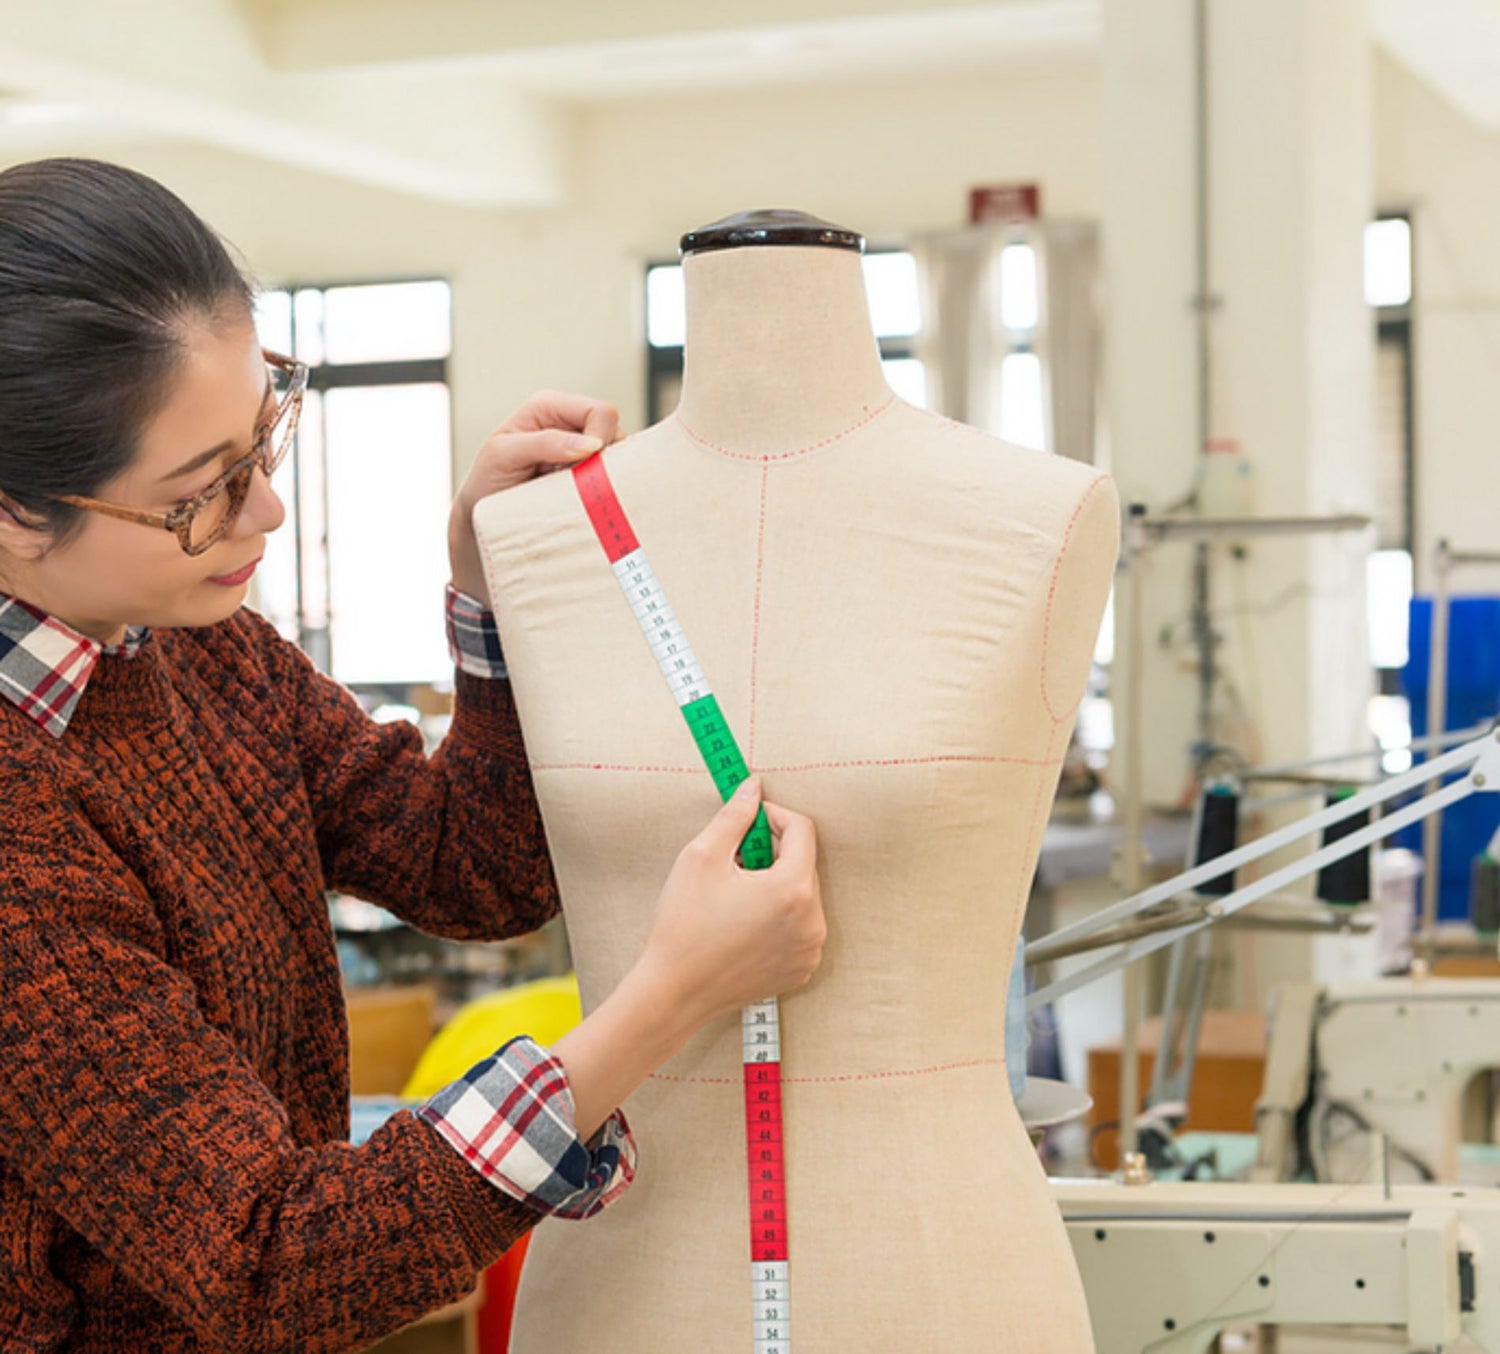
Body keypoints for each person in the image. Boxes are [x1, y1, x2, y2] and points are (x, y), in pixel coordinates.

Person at [0, 157, 826, 1352]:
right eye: (200, 493)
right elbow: (271, 1262)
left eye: (264, 439)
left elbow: (470, 864)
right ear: (17, 509)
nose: (265, 515)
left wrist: (490, 592)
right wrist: (672, 996)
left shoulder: (189, 648)